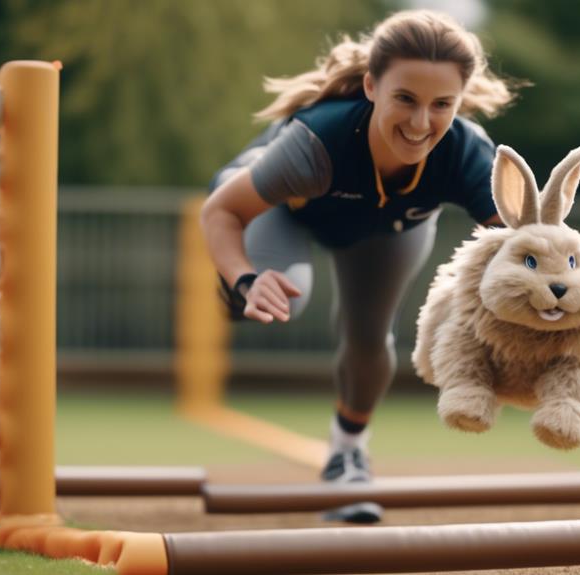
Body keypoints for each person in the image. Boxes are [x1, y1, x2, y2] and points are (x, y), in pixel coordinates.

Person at [200, 9, 520, 523]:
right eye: (405, 99)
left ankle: (347, 452)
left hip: (387, 227)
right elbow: (221, 212)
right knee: (291, 292)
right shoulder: (316, 143)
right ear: (371, 86)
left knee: (371, 337)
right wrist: (244, 278)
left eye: (442, 105)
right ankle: (237, 290)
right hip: (278, 208)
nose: (420, 124)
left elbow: (523, 248)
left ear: (460, 103)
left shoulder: (467, 154)